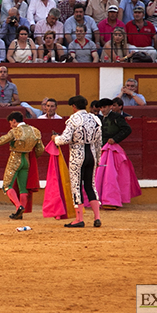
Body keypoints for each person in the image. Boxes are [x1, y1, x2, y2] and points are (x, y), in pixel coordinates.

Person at [53, 95, 103, 228]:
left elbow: (65, 139)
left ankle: (79, 219)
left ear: (74, 107)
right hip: (91, 154)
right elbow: (99, 142)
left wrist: (55, 138)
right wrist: (98, 159)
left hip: (77, 155)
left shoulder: (73, 120)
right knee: (90, 185)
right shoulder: (95, 119)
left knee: (76, 186)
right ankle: (97, 217)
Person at [0, 111, 45, 220]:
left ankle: (19, 207)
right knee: (23, 188)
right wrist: (33, 157)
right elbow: (40, 149)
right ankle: (20, 214)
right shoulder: (35, 131)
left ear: (14, 121)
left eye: (10, 123)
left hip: (15, 159)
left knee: (7, 185)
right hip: (26, 161)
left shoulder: (15, 131)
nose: (10, 125)